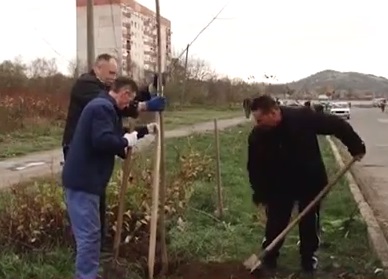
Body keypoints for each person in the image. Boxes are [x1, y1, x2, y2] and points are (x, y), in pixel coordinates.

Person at [247, 95, 365, 273]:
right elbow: (254, 166)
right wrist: (260, 191)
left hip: (309, 180)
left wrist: (356, 146)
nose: (257, 123)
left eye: (260, 119)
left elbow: (336, 125)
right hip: (279, 184)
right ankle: (269, 257)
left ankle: (308, 257)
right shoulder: (259, 135)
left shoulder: (302, 117)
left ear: (273, 112)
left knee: (309, 220)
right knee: (276, 221)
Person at [62, 53, 166, 252]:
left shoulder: (103, 89)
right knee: (87, 197)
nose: (113, 77)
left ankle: (95, 243)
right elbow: (118, 105)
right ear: (97, 68)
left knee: (96, 195)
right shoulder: (86, 86)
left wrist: (148, 90)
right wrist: (144, 107)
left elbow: (123, 97)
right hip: (81, 148)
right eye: (111, 72)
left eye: (116, 73)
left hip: (95, 147)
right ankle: (87, 245)